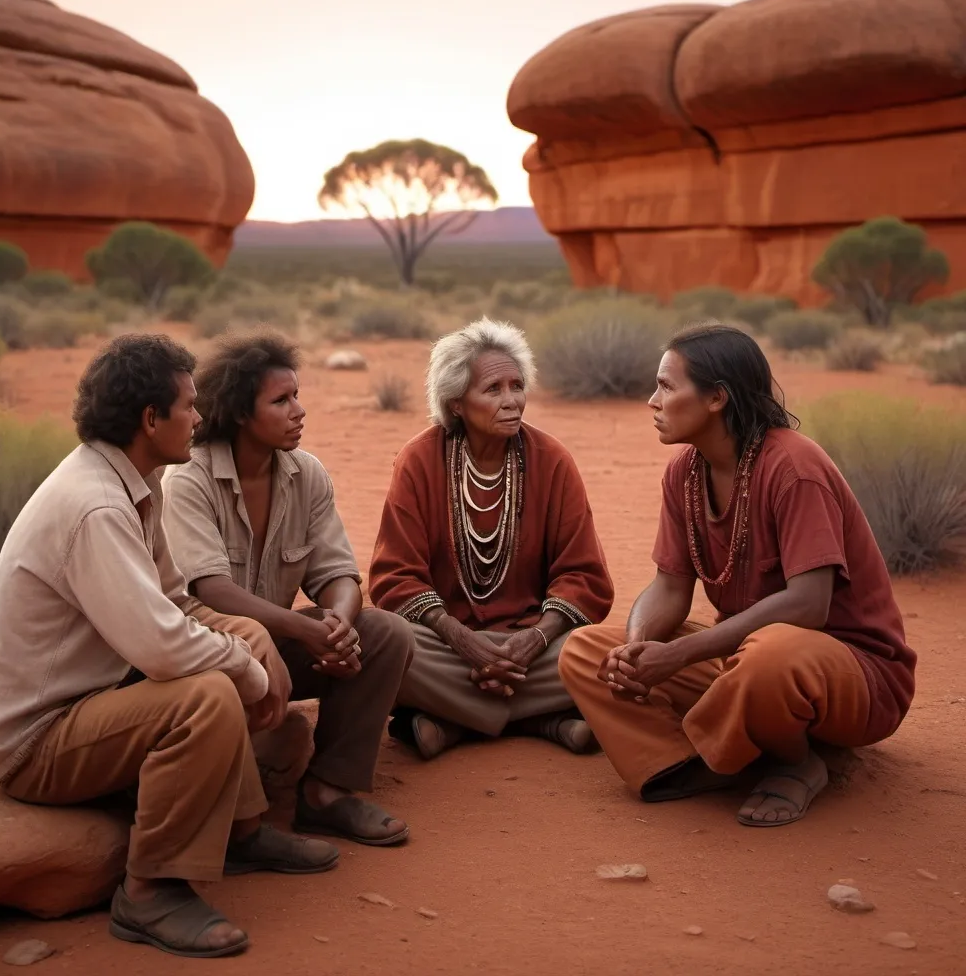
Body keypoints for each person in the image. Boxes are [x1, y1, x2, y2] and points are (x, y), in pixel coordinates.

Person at [0, 334, 338, 960]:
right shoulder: (96, 506)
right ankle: (150, 891)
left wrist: (249, 637)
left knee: (232, 641)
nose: (199, 417)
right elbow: (163, 647)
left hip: (95, 698)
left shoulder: (136, 480)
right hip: (34, 739)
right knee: (203, 697)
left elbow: (180, 604)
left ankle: (241, 830)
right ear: (150, 419)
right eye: (189, 406)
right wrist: (248, 670)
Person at [559, 323, 917, 827]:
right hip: (742, 662)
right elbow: (668, 586)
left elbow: (808, 605)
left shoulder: (794, 467)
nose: (650, 401)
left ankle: (795, 762)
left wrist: (679, 653)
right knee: (586, 651)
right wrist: (639, 649)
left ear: (715, 398)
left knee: (771, 655)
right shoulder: (684, 472)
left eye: (665, 386)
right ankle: (699, 762)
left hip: (852, 677)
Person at [161, 330, 414, 848]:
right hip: (209, 653)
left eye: (296, 396)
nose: (299, 411)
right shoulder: (189, 480)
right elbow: (209, 589)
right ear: (237, 412)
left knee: (385, 634)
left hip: (277, 645)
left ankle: (327, 791)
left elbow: (339, 573)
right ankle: (241, 823)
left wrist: (339, 624)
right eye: (281, 401)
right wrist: (307, 628)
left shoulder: (307, 475)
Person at [368, 318, 614, 760]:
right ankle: (542, 720)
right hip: (444, 647)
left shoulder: (551, 460)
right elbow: (394, 576)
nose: (512, 401)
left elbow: (583, 574)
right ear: (457, 403)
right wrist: (461, 639)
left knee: (601, 656)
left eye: (517, 385)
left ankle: (456, 722)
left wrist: (536, 639)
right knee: (385, 645)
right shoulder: (419, 460)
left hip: (536, 647)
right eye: (493, 389)